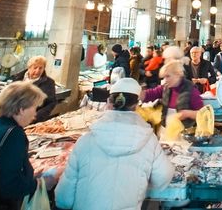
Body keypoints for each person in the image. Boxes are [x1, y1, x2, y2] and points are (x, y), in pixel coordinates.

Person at [55, 78, 173, 210]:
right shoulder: (149, 141)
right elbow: (163, 177)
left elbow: (63, 199)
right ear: (135, 106)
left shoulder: (85, 141)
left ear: (108, 103)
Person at [0, 82, 55, 209]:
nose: (35, 114)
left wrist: (29, 176)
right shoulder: (14, 134)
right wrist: (40, 184)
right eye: (34, 108)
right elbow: (9, 187)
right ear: (21, 110)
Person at [142, 60, 204, 128]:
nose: (165, 80)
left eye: (168, 76)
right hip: (165, 129)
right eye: (164, 77)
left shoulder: (192, 91)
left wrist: (188, 114)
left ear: (178, 75)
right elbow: (150, 94)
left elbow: (202, 114)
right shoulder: (165, 88)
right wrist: (138, 94)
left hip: (183, 133)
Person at [12, 55, 57, 123]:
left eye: (40, 68)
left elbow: (51, 103)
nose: (37, 71)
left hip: (33, 119)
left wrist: (35, 117)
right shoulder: (17, 78)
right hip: (13, 117)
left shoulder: (49, 83)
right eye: (35, 67)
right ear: (29, 68)